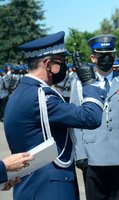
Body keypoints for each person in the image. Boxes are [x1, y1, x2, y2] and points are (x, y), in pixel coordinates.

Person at [4, 31, 107, 200]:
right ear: (48, 64)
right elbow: (91, 117)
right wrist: (89, 82)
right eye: (62, 61)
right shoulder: (41, 98)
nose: (65, 67)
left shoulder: (20, 93)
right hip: (48, 189)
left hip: (31, 186)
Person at [70, 35, 119, 200]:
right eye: (101, 55)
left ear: (114, 56)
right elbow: (75, 122)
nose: (106, 58)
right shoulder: (81, 84)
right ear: (93, 58)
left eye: (109, 54)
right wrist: (80, 153)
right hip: (92, 154)